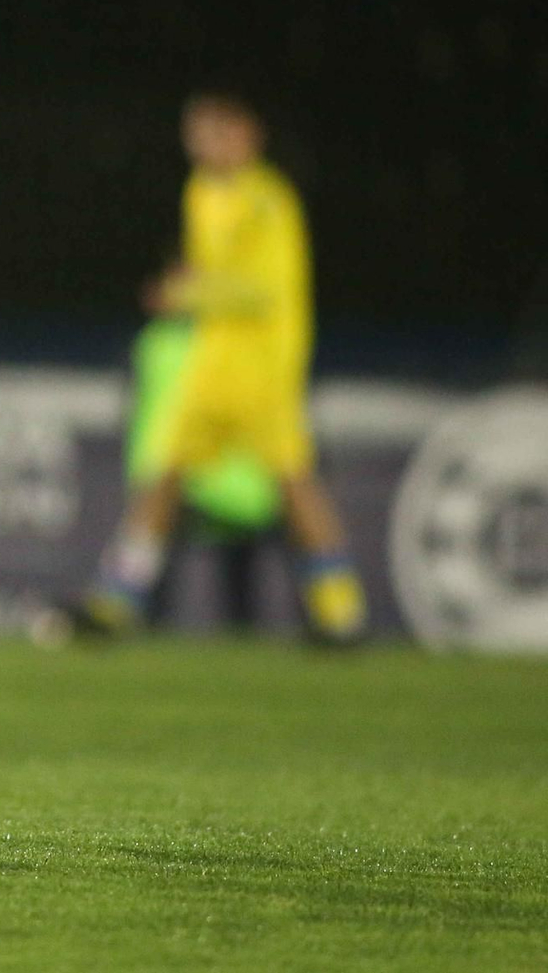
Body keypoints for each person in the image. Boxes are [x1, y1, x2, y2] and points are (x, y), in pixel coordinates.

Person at [75, 92, 367, 642]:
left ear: (248, 134)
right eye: (196, 133)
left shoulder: (267, 200)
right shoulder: (202, 192)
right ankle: (114, 604)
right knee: (165, 476)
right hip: (213, 367)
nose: (202, 144)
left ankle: (341, 612)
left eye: (215, 131)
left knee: (294, 482)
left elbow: (260, 290)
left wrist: (185, 294)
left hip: (263, 368)